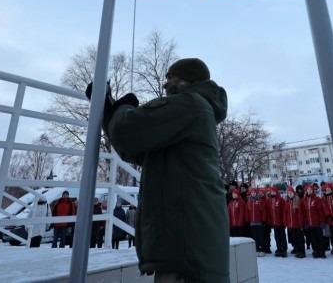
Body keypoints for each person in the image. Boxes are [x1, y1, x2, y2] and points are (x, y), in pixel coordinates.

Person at [92, 57, 230, 282]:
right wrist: (110, 112)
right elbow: (133, 147)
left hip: (186, 245)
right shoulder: (196, 109)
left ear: (186, 80)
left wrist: (121, 108)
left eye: (171, 77)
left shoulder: (190, 104)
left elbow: (128, 131)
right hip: (191, 240)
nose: (166, 85)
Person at [282, 186, 306, 258]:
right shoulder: (287, 202)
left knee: (300, 238)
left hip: (297, 224)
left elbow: (300, 214)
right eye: (288, 193)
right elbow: (286, 213)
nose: (289, 194)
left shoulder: (297, 200)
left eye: (291, 193)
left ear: (293, 193)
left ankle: (302, 251)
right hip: (291, 224)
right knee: (295, 239)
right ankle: (298, 251)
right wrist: (285, 221)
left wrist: (300, 223)